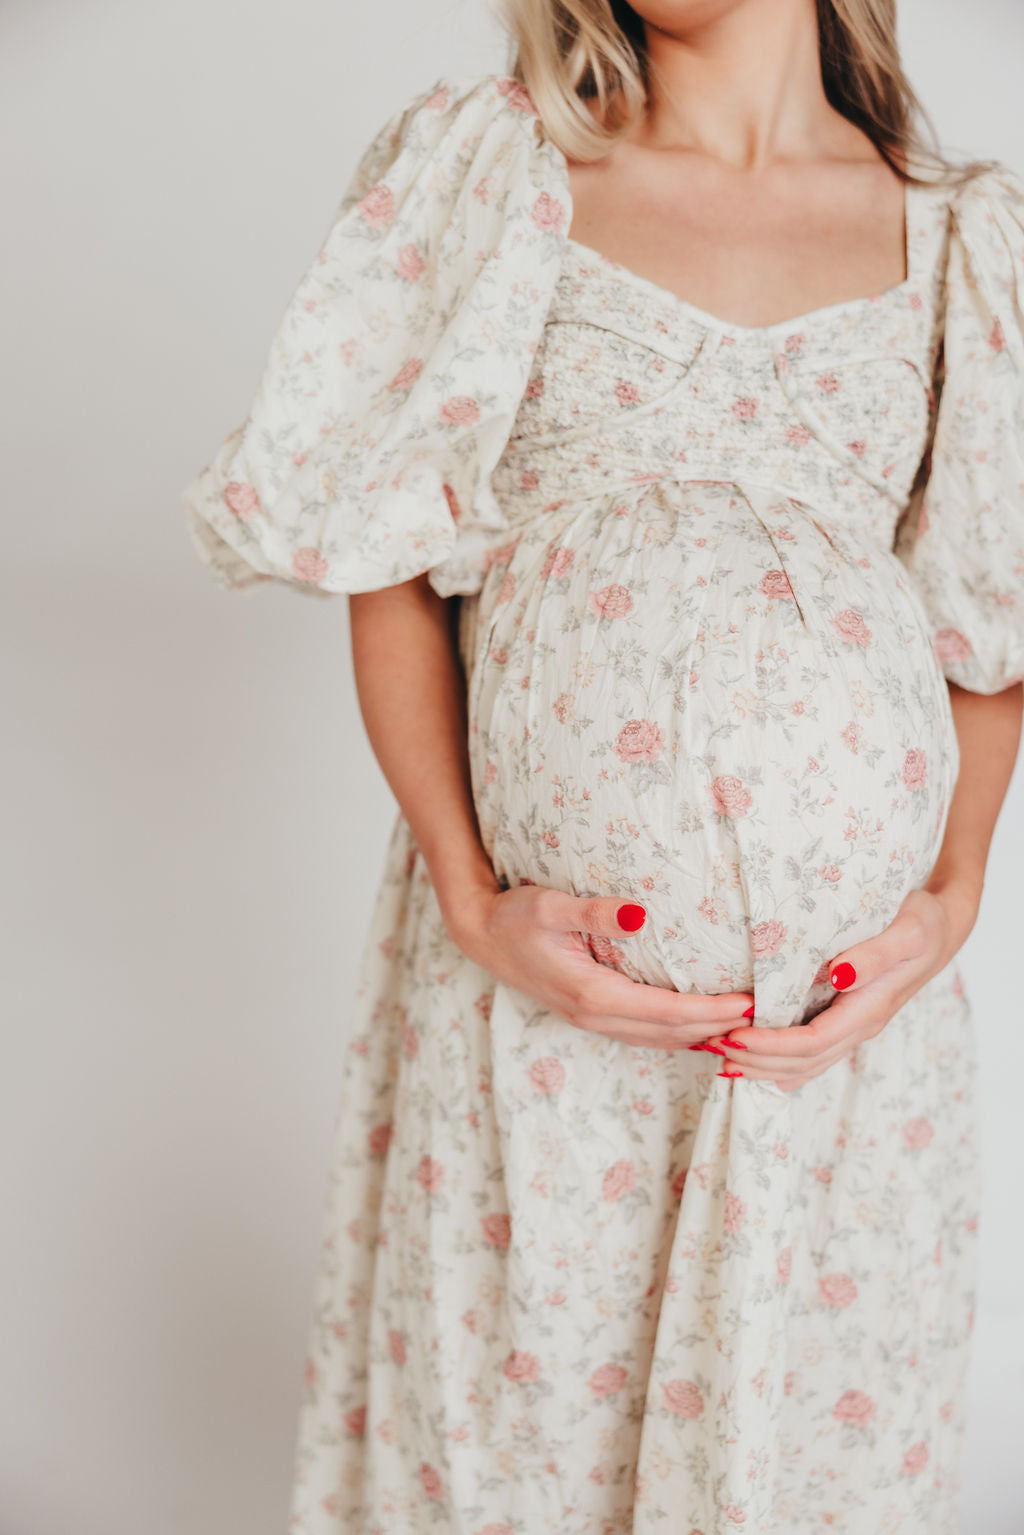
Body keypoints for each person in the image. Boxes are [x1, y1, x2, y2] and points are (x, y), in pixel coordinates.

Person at [181, 2, 1024, 1529]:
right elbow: (390, 570)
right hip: (541, 1026)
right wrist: (469, 897)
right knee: (525, 1460)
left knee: (811, 1466)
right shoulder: (501, 172)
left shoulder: (966, 237)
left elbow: (990, 628)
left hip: (840, 1059)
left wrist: (951, 902)